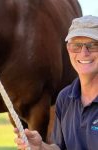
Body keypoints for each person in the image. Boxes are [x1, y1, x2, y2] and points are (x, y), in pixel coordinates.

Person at [14, 15, 98, 150]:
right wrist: (41, 147)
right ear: (68, 50)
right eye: (76, 46)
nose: (84, 52)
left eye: (93, 45)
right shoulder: (65, 98)